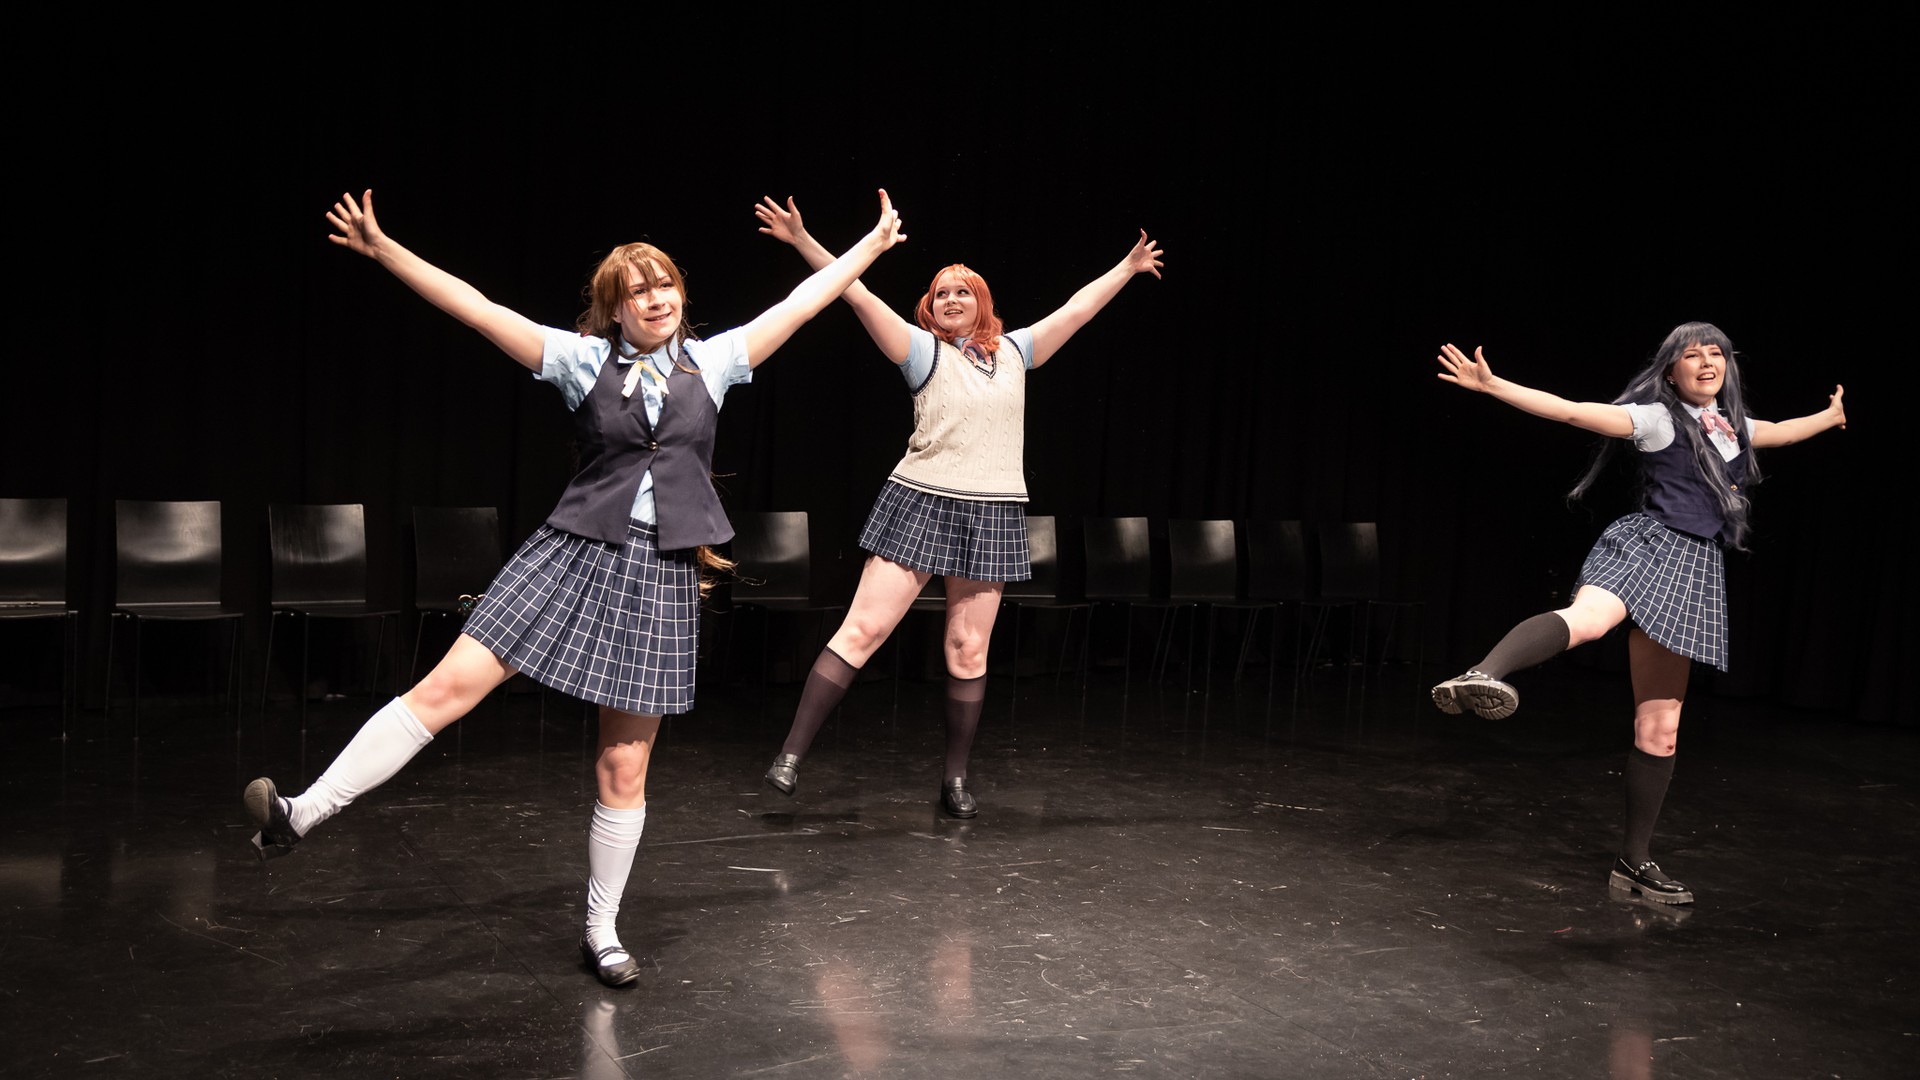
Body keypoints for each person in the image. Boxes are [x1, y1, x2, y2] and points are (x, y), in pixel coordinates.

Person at [245, 187, 905, 987]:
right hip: (570, 554)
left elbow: (805, 301)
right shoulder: (581, 362)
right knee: (446, 688)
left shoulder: (716, 361)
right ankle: (302, 812)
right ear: (614, 309)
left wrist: (869, 248)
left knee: (623, 765)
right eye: (638, 290)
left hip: (659, 572)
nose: (656, 298)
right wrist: (385, 250)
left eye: (664, 284)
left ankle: (602, 929)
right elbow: (477, 309)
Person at [750, 195, 1163, 818]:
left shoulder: (1018, 352)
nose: (950, 299)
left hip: (992, 510)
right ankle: (790, 755)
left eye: (962, 292)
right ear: (930, 306)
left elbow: (1076, 310)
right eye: (940, 293)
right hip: (922, 500)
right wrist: (804, 241)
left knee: (968, 649)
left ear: (981, 302)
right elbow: (855, 293)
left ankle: (956, 779)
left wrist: (1127, 268)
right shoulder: (922, 351)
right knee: (863, 630)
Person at [1428, 324, 1847, 904]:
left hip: (1695, 567)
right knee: (1590, 619)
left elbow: (1780, 431)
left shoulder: (1732, 427)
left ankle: (1634, 862)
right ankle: (1484, 673)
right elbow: (1572, 411)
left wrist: (1830, 416)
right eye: (1692, 355)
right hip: (1648, 544)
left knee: (1661, 730)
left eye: (1716, 353)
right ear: (1670, 371)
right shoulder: (1656, 419)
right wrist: (1494, 386)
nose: (1707, 362)